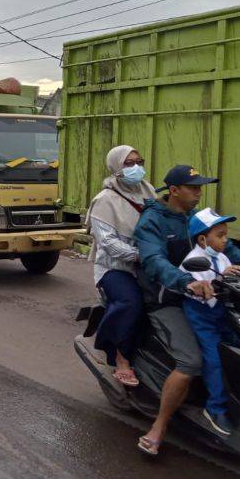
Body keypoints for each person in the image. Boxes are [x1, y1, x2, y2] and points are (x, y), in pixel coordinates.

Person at [133, 164, 240, 457]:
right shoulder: (152, 221)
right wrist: (185, 282)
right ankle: (160, 426)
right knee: (191, 362)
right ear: (175, 190)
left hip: (209, 296)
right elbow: (154, 260)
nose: (198, 192)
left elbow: (230, 251)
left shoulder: (197, 218)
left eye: (200, 187)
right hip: (167, 298)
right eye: (192, 187)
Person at [85, 145, 156, 387]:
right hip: (115, 268)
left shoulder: (149, 192)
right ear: (116, 167)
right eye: (128, 164)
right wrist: (141, 255)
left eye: (139, 161)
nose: (136, 168)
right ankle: (121, 358)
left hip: (150, 264)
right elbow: (108, 244)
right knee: (131, 303)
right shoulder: (105, 201)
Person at [180, 208, 240, 436]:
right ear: (202, 239)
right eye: (220, 235)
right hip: (203, 317)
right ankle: (214, 409)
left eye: (226, 234)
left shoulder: (222, 257)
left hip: (223, 315)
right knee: (214, 359)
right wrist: (221, 277)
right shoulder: (194, 261)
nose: (225, 240)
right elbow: (202, 291)